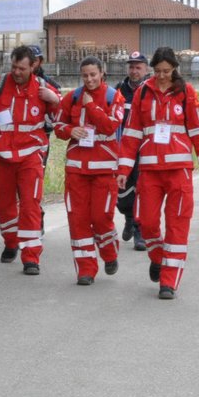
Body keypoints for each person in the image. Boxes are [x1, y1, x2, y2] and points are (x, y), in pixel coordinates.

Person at [118, 47, 199, 300]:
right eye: (158, 71)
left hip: (179, 171)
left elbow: (198, 129)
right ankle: (157, 257)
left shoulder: (186, 92)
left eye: (167, 71)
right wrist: (124, 169)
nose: (161, 76)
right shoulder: (143, 92)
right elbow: (131, 133)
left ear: (174, 69)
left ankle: (168, 282)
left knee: (177, 226)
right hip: (149, 170)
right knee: (146, 223)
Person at [0, 44, 61, 274]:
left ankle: (31, 257)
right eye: (14, 67)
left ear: (34, 66)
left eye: (22, 68)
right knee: (1, 203)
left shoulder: (44, 89)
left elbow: (63, 120)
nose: (17, 72)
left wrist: (55, 100)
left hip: (31, 156)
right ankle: (11, 241)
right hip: (3, 156)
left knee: (31, 204)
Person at [53, 57, 126, 285]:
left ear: (102, 73)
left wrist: (91, 106)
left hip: (104, 170)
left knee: (101, 218)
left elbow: (109, 125)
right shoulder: (72, 97)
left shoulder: (114, 97)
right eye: (85, 75)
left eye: (93, 74)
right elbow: (57, 125)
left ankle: (109, 253)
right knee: (78, 220)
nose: (89, 79)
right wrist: (70, 130)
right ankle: (86, 269)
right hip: (76, 170)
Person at [114, 50, 150, 249]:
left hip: (145, 149)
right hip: (123, 148)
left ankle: (139, 231)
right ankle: (128, 216)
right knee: (122, 193)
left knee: (143, 190)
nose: (134, 71)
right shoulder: (119, 89)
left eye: (138, 67)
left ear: (146, 69)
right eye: (131, 67)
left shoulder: (150, 89)